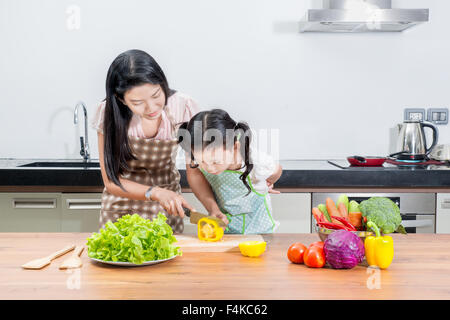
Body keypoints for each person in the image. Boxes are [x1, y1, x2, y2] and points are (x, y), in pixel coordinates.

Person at [91, 49, 198, 233]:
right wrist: (154, 192)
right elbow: (111, 181)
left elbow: (195, 171)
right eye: (138, 102)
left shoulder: (182, 106)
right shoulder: (108, 112)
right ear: (121, 99)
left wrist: (212, 207)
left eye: (156, 95)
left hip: (167, 206)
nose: (151, 108)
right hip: (120, 208)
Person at [177, 109, 283, 234]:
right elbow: (194, 175)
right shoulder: (194, 151)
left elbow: (277, 170)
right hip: (226, 230)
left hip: (260, 231)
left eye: (216, 162)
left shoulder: (257, 160)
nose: (210, 168)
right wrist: (213, 209)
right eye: (202, 162)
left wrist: (268, 181)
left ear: (235, 147)